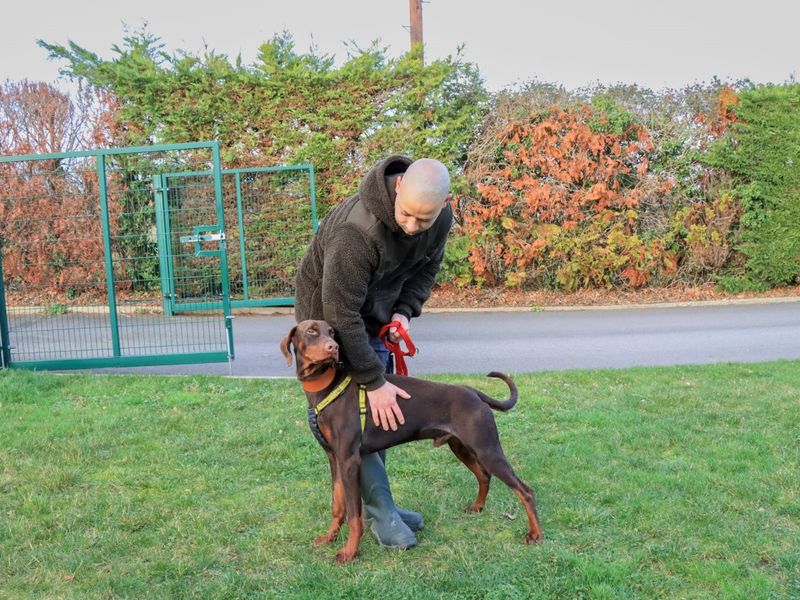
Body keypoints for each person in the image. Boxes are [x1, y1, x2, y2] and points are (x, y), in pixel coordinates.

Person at [294, 154, 452, 549]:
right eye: (407, 216)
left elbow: (425, 269)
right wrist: (373, 380)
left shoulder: (439, 221)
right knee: (352, 426)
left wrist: (403, 313)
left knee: (377, 422)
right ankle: (383, 520)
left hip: (376, 314)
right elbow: (339, 314)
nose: (413, 227)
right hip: (328, 322)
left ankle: (386, 506)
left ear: (444, 206)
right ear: (398, 189)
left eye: (424, 220)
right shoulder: (356, 231)